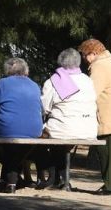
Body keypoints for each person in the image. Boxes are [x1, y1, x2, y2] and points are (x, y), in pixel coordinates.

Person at [0, 57, 43, 193]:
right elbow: (39, 108)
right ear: (26, 71)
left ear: (7, 71)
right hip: (34, 131)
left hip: (6, 129)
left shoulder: (3, 83)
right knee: (13, 148)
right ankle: (11, 181)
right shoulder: (35, 85)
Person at [78, 39, 111, 195]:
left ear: (92, 53)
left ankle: (110, 186)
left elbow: (92, 91)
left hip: (109, 115)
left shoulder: (99, 66)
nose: (84, 59)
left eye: (84, 54)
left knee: (106, 152)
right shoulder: (110, 61)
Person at [40, 48, 98, 189]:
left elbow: (44, 107)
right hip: (88, 129)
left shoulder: (53, 81)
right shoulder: (88, 80)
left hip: (62, 128)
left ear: (60, 62)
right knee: (59, 140)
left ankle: (53, 178)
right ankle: (62, 180)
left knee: (42, 137)